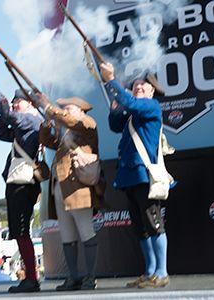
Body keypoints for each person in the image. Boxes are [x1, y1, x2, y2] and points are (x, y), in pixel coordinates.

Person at [100, 62, 170, 288]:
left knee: (154, 224)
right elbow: (114, 123)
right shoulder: (133, 112)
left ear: (152, 91)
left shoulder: (151, 107)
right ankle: (150, 271)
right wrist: (115, 102)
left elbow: (131, 103)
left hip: (144, 176)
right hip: (130, 176)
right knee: (140, 228)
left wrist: (112, 81)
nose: (139, 87)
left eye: (143, 85)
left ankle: (162, 272)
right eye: (136, 84)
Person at [35, 93, 103, 291]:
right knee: (67, 235)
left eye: (70, 109)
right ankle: (73, 277)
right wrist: (47, 123)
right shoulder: (66, 132)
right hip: (60, 187)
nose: (65, 112)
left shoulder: (87, 123)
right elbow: (47, 141)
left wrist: (50, 109)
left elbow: (71, 121)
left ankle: (91, 277)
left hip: (78, 187)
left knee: (86, 231)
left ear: (81, 111)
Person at [0, 82, 42, 293]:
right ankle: (30, 278)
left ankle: (32, 279)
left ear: (31, 105)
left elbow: (13, 118)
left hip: (24, 183)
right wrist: (3, 108)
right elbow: (1, 132)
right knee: (19, 232)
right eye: (15, 101)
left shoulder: (32, 120)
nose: (16, 105)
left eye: (20, 102)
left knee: (22, 231)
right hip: (17, 182)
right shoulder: (22, 123)